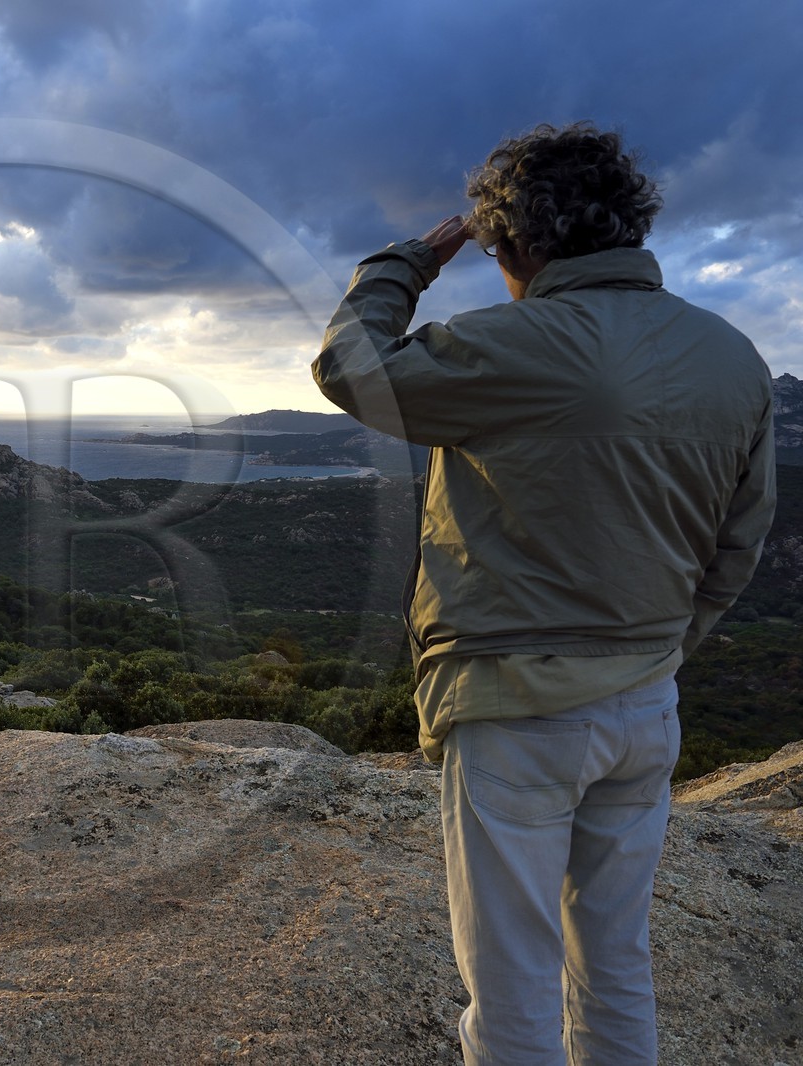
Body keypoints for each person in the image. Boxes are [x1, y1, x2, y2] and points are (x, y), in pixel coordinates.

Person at [311, 122, 776, 1064]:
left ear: (517, 242)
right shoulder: (732, 358)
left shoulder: (519, 343)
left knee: (513, 988)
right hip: (646, 703)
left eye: (494, 248)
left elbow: (349, 370)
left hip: (517, 707)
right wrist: (661, 650)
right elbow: (740, 542)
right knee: (615, 965)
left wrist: (408, 261)